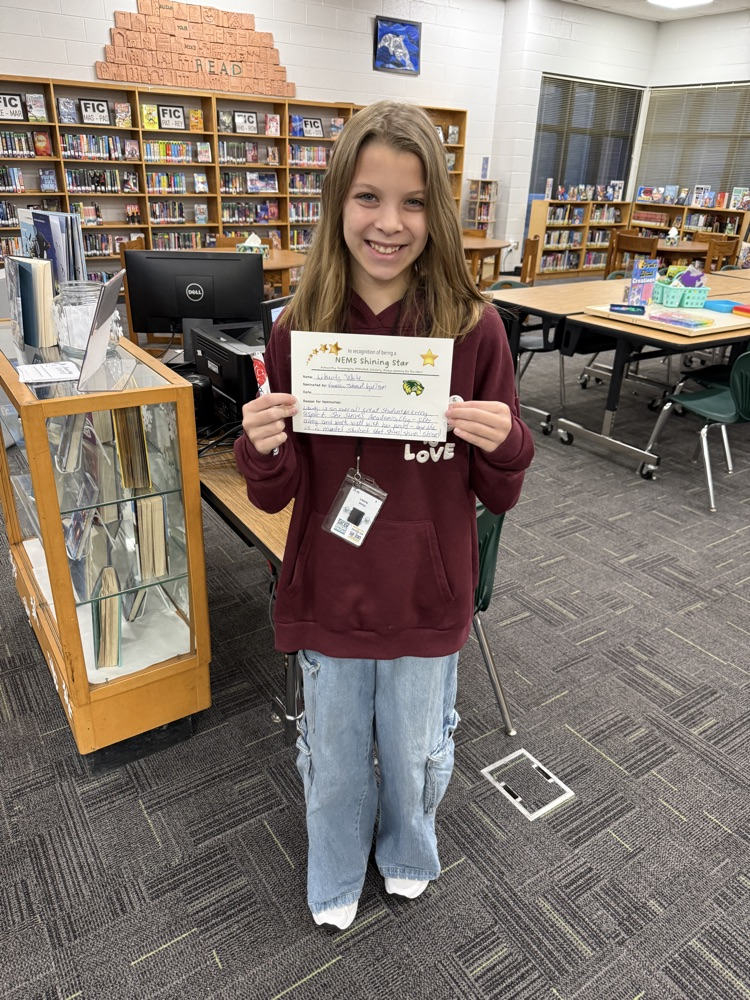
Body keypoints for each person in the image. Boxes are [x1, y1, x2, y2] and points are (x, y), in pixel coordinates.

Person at [234, 100, 534, 930]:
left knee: (414, 751)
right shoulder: (298, 329)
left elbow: (502, 489)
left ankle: (406, 854)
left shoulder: (475, 331)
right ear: (338, 204)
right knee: (332, 760)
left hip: (425, 597)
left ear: (435, 212)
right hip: (330, 590)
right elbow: (273, 490)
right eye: (368, 198)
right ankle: (333, 873)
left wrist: (506, 440)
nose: (389, 224)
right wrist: (259, 442)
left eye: (410, 202)